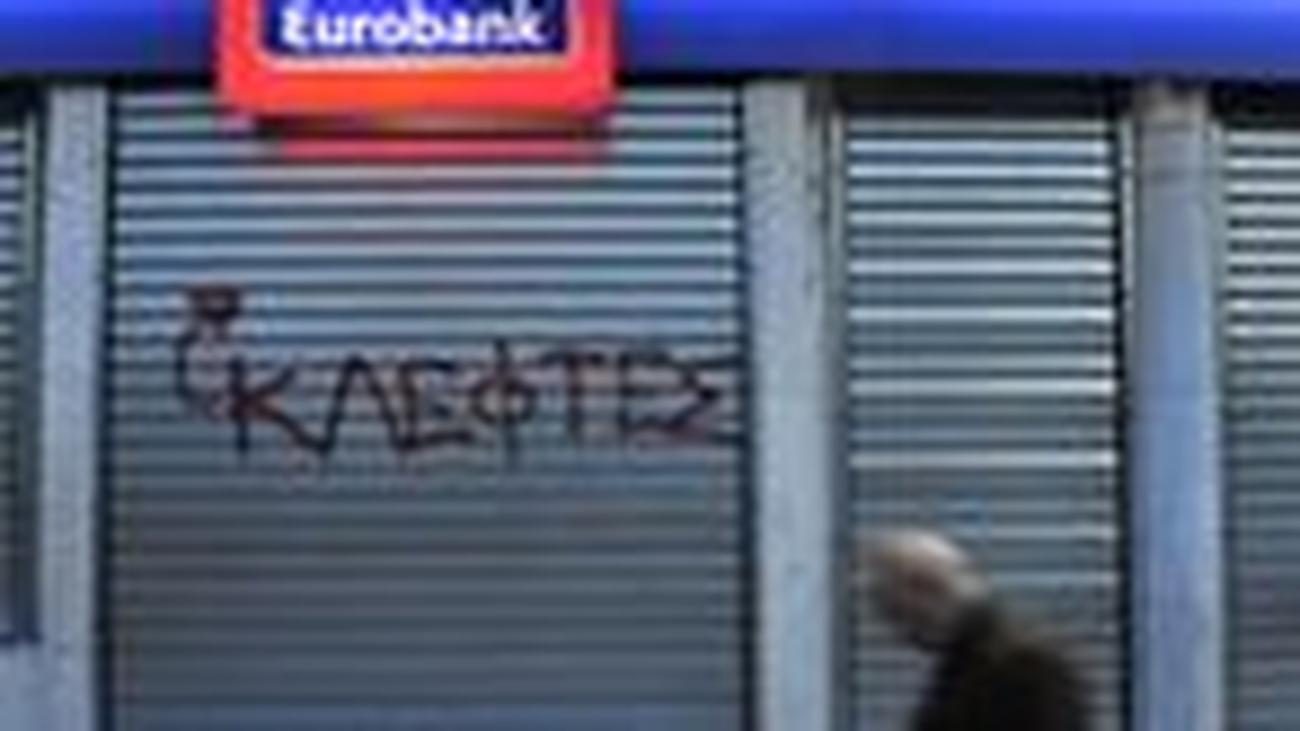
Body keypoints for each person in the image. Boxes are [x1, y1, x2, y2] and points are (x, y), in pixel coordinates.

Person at [860, 530, 1090, 731]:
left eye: (898, 614)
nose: (903, 633)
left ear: (925, 590)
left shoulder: (1025, 664)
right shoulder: (970, 661)